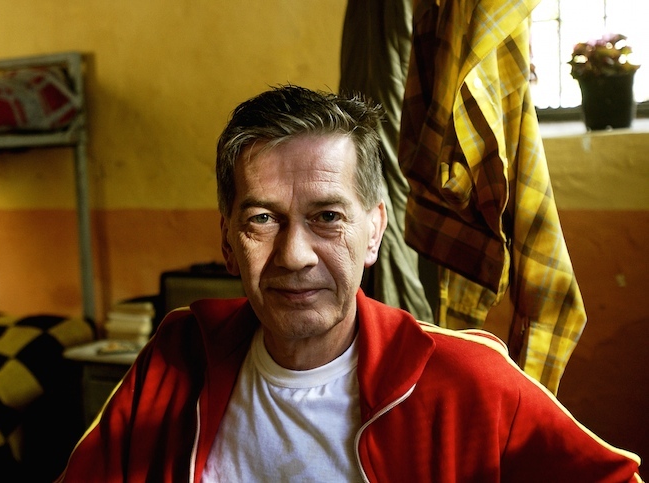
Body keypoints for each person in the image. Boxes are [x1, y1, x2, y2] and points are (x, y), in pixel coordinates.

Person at [57, 85, 642, 482]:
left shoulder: (467, 381)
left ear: (373, 232)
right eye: (262, 219)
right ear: (228, 241)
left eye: (327, 217)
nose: (294, 255)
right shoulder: (177, 358)